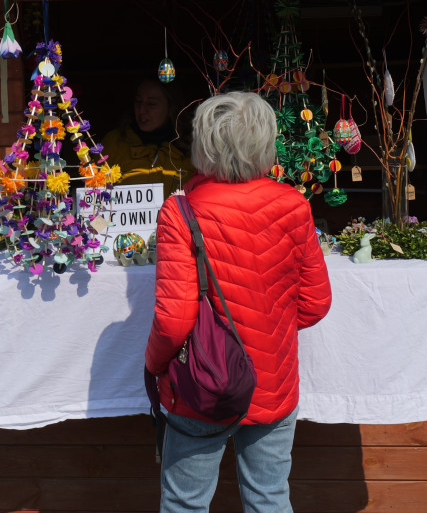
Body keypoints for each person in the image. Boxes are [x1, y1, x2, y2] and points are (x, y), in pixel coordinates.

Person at [144, 91, 332, 513]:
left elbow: (174, 320)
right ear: (266, 143)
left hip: (201, 383)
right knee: (269, 500)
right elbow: (316, 303)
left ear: (203, 144)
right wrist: (268, 329)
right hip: (274, 383)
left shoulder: (181, 211)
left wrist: (155, 365)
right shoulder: (294, 205)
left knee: (184, 505)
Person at [102, 78, 189, 197]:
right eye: (138, 101)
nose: (142, 110)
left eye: (151, 104)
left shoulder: (192, 149)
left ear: (170, 107)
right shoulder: (114, 143)